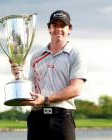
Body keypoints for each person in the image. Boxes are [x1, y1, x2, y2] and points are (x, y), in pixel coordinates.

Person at [10, 10, 87, 140]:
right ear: (49, 28)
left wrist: (46, 99)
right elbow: (31, 91)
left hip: (62, 119)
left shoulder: (75, 53)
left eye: (62, 26)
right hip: (37, 119)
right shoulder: (36, 56)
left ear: (70, 29)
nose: (58, 29)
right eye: (54, 25)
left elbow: (76, 89)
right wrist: (19, 76)